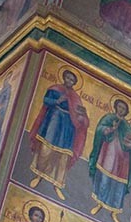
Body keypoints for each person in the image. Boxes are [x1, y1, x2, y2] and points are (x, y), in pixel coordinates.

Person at [28, 70, 91, 200]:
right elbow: (46, 100)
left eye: (72, 80)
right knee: (46, 150)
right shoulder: (55, 89)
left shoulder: (75, 97)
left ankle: (57, 185)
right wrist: (57, 101)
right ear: (64, 78)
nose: (69, 81)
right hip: (54, 121)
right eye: (68, 78)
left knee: (63, 157)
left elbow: (80, 118)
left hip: (68, 127)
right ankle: (39, 176)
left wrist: (82, 115)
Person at [88, 99, 131, 222]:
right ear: (116, 107)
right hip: (108, 154)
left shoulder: (127, 126)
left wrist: (129, 145)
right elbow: (100, 130)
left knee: (118, 186)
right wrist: (110, 129)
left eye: (123, 109)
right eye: (119, 107)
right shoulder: (109, 118)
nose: (121, 110)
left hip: (122, 161)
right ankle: (100, 203)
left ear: (126, 112)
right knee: (104, 179)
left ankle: (114, 212)